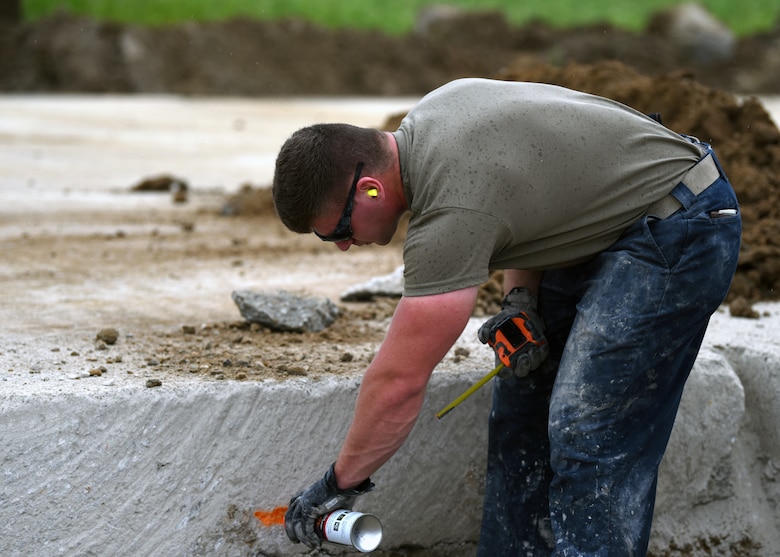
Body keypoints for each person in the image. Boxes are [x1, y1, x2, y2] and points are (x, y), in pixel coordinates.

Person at [273, 78, 741, 555]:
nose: (346, 245)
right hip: (610, 222)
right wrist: (521, 300)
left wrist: (337, 484)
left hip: (678, 221)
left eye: (340, 232)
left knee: (588, 430)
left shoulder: (448, 216)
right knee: (522, 409)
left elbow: (399, 383)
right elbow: (537, 193)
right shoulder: (436, 115)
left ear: (370, 190)